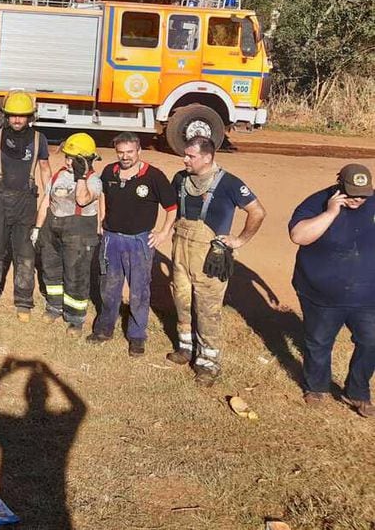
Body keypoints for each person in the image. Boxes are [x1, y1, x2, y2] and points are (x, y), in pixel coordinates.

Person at [168, 135, 266, 385]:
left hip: (209, 255)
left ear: (208, 157)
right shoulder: (180, 179)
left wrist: (239, 240)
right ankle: (185, 348)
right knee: (181, 300)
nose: (185, 159)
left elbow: (257, 211)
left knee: (207, 309)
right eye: (185, 154)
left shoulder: (229, 183)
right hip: (180, 249)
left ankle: (208, 362)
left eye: (191, 156)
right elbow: (172, 210)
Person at [289, 163, 375, 417]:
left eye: (364, 194)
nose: (358, 198)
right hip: (320, 292)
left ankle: (357, 391)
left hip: (367, 294)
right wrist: (330, 213)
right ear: (340, 185)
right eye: (352, 193)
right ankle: (316, 387)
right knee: (319, 342)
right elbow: (299, 236)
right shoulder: (317, 202)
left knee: (371, 341)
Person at [87, 132, 177, 356]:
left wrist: (163, 232)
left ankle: (136, 336)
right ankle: (104, 329)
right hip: (112, 238)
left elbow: (172, 207)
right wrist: (102, 220)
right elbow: (103, 195)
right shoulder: (110, 171)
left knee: (139, 290)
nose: (125, 156)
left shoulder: (154, 176)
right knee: (109, 287)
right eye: (121, 152)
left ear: (139, 151)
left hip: (139, 241)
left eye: (129, 152)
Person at [0, 92, 50, 321]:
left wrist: (51, 198)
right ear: (6, 116)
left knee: (25, 252)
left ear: (30, 117)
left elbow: (45, 170)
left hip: (27, 201)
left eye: (22, 116)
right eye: (13, 116)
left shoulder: (39, 140)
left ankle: (24, 300)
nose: (17, 120)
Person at [35, 132, 102, 335]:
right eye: (67, 157)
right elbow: (47, 201)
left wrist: (81, 175)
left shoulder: (93, 180)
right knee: (51, 269)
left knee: (76, 275)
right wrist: (37, 228)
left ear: (86, 159)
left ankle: (75, 318)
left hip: (79, 233)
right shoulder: (59, 175)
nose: (68, 161)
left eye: (73, 158)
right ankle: (54, 306)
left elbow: (82, 200)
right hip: (51, 229)